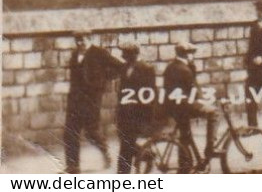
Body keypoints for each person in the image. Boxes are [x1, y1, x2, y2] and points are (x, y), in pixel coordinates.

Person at [63, 29, 115, 174]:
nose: (80, 43)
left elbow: (117, 67)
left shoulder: (99, 52)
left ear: (90, 38)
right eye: (77, 40)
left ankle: (105, 151)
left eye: (83, 39)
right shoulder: (75, 55)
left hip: (91, 101)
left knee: (91, 132)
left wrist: (101, 83)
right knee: (70, 132)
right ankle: (73, 167)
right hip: (75, 100)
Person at [163, 42, 214, 173]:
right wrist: (205, 102)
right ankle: (210, 147)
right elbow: (194, 92)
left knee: (185, 136)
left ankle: (185, 166)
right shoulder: (185, 70)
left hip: (173, 106)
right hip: (185, 106)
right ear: (188, 54)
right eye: (192, 53)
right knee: (214, 112)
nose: (193, 56)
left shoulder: (171, 67)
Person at [114, 42, 157, 175]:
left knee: (128, 147)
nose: (123, 56)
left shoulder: (147, 68)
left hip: (139, 114)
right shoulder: (124, 67)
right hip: (125, 115)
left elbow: (150, 94)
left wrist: (147, 119)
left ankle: (125, 175)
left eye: (126, 54)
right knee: (125, 146)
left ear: (134, 54)